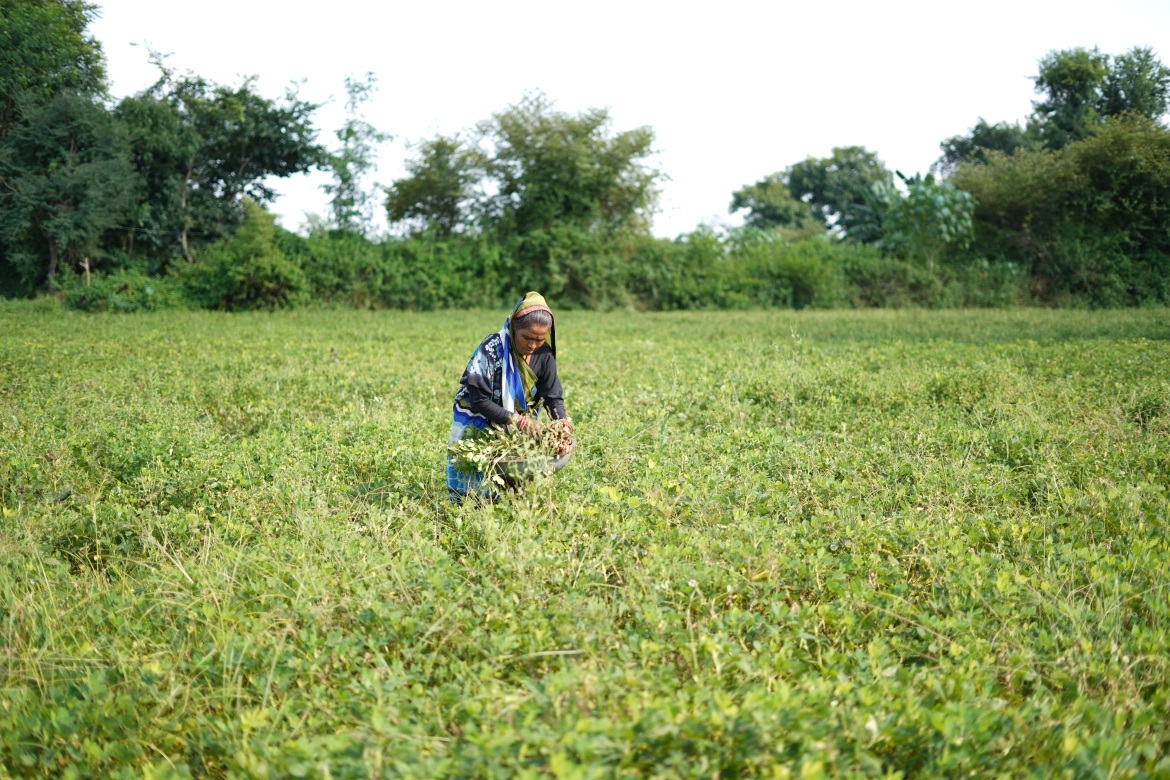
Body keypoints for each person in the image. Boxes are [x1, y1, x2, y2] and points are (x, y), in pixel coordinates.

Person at [447, 292, 573, 502]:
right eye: (527, 337)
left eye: (540, 339)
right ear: (514, 328)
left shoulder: (545, 355)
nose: (533, 345)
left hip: (515, 430)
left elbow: (553, 396)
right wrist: (520, 421)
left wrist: (561, 422)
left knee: (515, 488)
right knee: (474, 486)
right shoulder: (491, 349)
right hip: (480, 420)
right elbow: (478, 399)